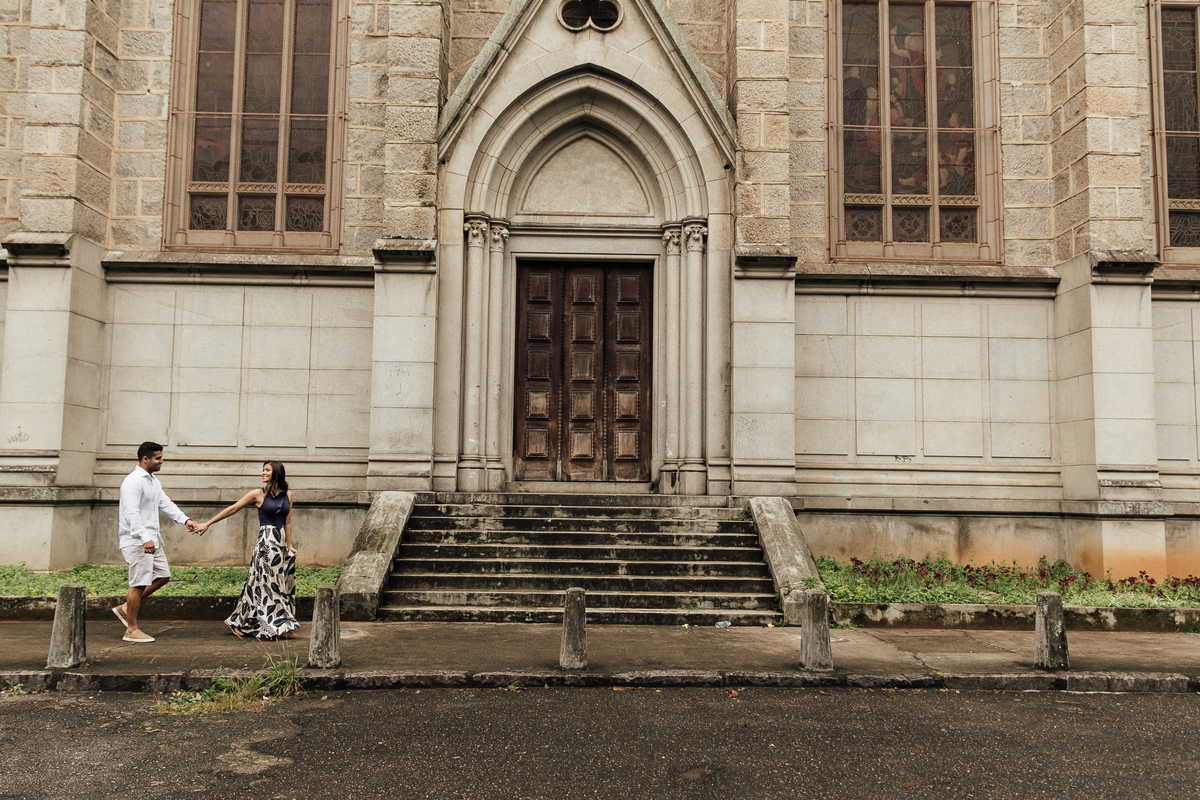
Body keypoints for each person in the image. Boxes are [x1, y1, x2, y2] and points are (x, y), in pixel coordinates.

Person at [194, 461, 299, 640]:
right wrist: (208, 523)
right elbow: (233, 508)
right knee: (268, 584)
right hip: (266, 543)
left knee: (274, 584)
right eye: (263, 470)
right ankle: (274, 626)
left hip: (279, 543)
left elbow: (287, 522)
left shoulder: (287, 494)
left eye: (267, 470)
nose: (263, 473)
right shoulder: (257, 494)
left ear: (277, 473)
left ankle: (253, 623)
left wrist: (289, 546)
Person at [113, 441, 198, 643]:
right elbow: (131, 513)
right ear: (145, 459)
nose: (162, 461)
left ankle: (126, 608)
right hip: (137, 541)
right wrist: (144, 538)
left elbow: (165, 503)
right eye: (158, 458)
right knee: (139, 583)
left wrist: (185, 520)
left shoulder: (152, 481)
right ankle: (131, 630)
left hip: (152, 540)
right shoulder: (133, 481)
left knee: (163, 576)